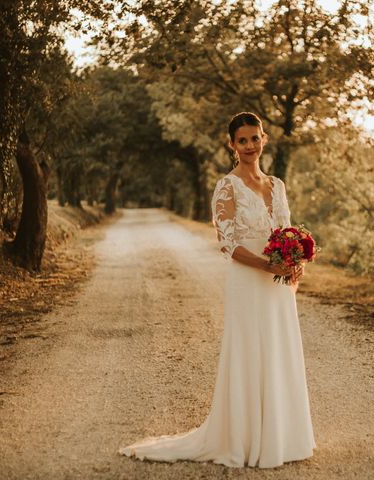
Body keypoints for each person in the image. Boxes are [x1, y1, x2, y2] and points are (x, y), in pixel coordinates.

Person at [118, 112, 316, 468]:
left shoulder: (278, 185)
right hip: (249, 279)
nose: (250, 146)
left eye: (255, 138)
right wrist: (266, 265)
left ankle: (283, 438)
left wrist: (295, 261)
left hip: (279, 284)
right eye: (242, 141)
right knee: (250, 352)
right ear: (231, 145)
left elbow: (286, 232)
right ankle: (245, 439)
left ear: (264, 139)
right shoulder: (227, 186)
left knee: (277, 349)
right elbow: (229, 244)